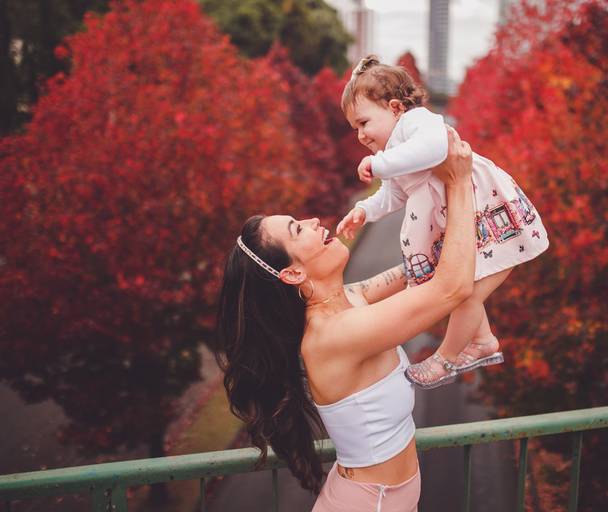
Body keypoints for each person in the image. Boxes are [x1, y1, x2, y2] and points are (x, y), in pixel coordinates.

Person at [215, 128, 476, 511]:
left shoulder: (346, 300)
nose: (313, 220)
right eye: (297, 229)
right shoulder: (334, 335)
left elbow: (415, 269)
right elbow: (451, 289)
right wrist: (460, 182)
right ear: (292, 274)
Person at [336, 55, 550, 390]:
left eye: (363, 123)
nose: (360, 135)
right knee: (461, 288)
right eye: (355, 129)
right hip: (459, 225)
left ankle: (448, 356)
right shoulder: (394, 153)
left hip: (482, 212)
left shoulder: (417, 123)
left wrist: (381, 164)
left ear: (395, 107)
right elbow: (393, 195)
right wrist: (365, 209)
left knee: (464, 292)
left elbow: (434, 149)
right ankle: (481, 340)